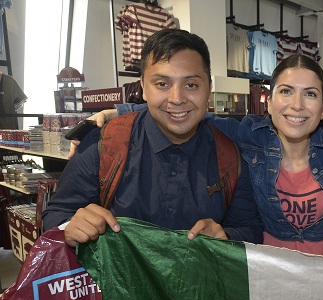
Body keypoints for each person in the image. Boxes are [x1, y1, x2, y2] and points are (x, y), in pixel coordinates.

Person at [77, 55, 323, 257]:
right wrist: (119, 113)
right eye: (286, 92)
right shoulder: (248, 133)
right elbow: (191, 110)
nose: (297, 106)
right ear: (269, 101)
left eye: (310, 94)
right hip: (265, 270)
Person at [42, 29, 263, 246]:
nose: (177, 99)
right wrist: (71, 226)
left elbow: (250, 229)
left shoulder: (231, 156)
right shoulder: (104, 143)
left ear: (209, 89)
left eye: (191, 85)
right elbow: (56, 215)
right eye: (162, 84)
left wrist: (225, 236)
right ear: (144, 89)